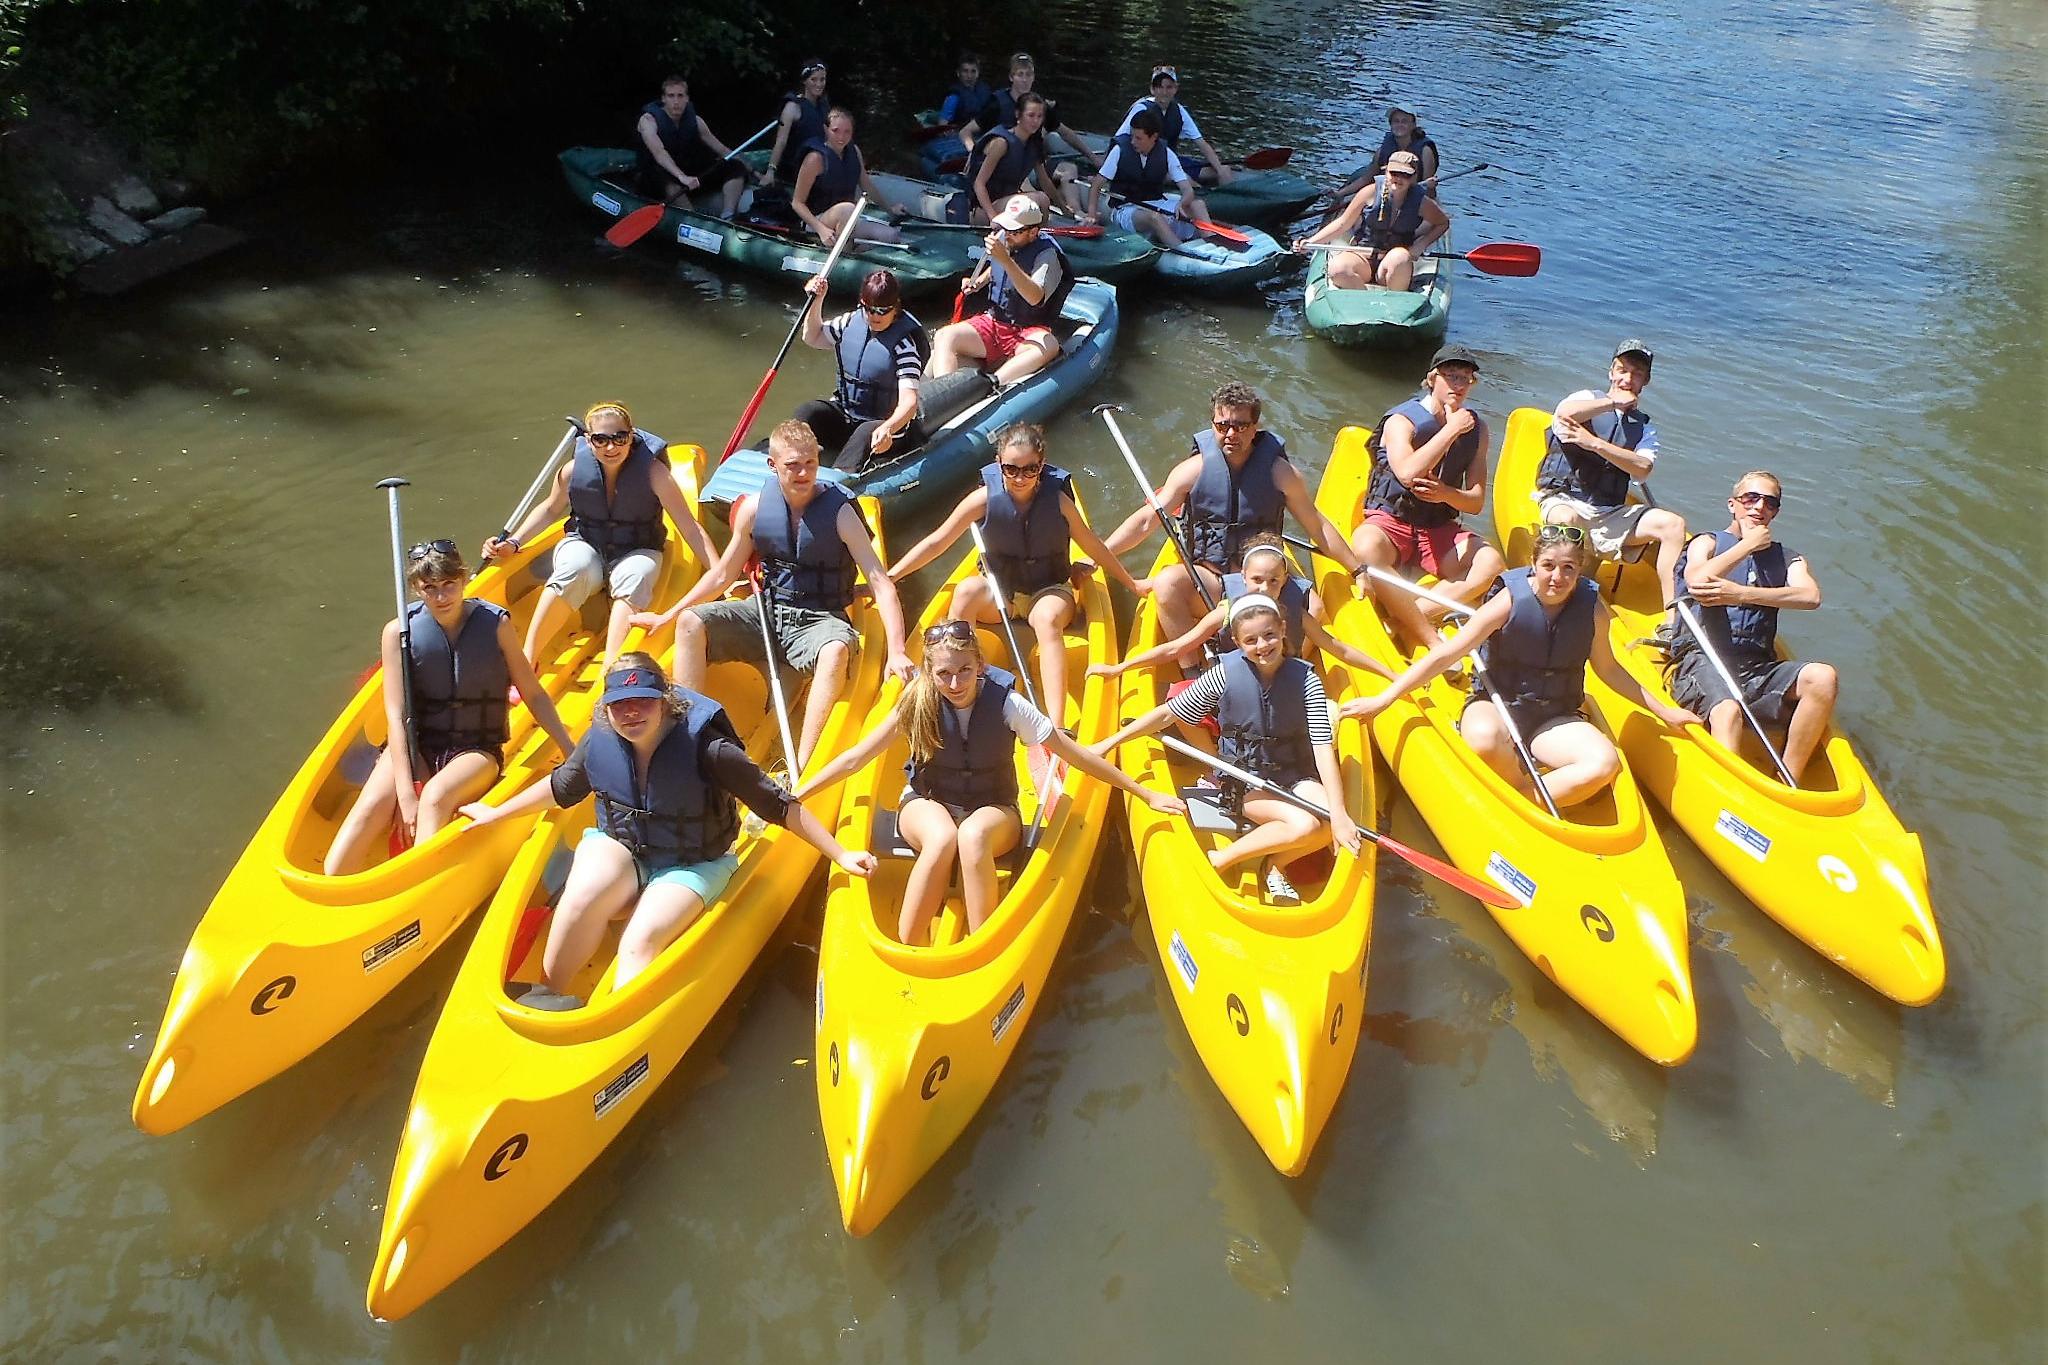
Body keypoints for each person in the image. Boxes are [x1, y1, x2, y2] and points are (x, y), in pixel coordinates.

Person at [459, 653, 876, 1008]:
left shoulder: (709, 748)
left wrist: (840, 854)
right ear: (606, 708)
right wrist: (495, 813)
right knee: (578, 899)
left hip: (692, 862)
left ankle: (616, 1024)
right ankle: (551, 995)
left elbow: (777, 805)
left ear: (665, 701)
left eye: (643, 701)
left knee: (640, 942)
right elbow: (563, 787)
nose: (632, 713)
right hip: (626, 850)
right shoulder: (600, 739)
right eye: (620, 705)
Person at [794, 620, 1182, 944]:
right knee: (943, 838)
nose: (955, 682)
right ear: (930, 673)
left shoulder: (1008, 704)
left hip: (993, 810)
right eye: (943, 673)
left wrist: (1144, 793)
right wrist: (797, 794)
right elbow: (855, 758)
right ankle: (908, 946)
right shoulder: (917, 700)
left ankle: (982, 945)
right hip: (927, 801)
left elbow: (1073, 754)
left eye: (964, 670)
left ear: (980, 664)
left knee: (972, 837)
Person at [1343, 526, 1699, 808]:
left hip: (1554, 715)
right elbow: (1448, 653)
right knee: (1483, 740)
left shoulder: (1592, 609)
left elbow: (1608, 670)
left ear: (1580, 571)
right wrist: (1385, 699)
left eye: (1569, 568)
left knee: (1603, 764)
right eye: (1549, 566)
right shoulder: (1509, 600)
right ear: (1533, 563)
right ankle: (1520, 782)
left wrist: (1666, 711)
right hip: (1497, 703)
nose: (1557, 577)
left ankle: (1523, 799)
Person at [633, 420, 915, 774]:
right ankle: (689, 737)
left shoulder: (841, 512)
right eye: (792, 466)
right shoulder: (753, 509)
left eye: (810, 463)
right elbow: (722, 574)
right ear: (772, 465)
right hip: (767, 611)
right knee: (692, 623)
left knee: (836, 651)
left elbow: (881, 582)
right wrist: (668, 615)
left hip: (821, 618)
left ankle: (804, 766)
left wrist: (898, 650)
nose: (803, 473)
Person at [325, 540, 577, 876]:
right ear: (417, 588)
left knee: (434, 798)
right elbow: (397, 716)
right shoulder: (397, 633)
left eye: (449, 585)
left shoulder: (496, 624)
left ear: (464, 579)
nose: (441, 597)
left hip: (475, 749)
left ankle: (414, 890)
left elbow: (532, 692)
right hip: (418, 744)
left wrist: (568, 746)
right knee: (371, 806)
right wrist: (405, 792)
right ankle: (335, 884)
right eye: (430, 588)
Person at [1095, 595, 1358, 904]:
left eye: (1270, 635)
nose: (1262, 645)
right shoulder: (1224, 675)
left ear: (1283, 630)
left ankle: (1275, 864)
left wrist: (1340, 814)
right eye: (1251, 639)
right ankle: (1222, 858)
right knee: (1305, 825)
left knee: (1328, 823)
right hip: (1245, 779)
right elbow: (1170, 713)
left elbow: (1321, 745)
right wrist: (1111, 742)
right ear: (1236, 641)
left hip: (1296, 774)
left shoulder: (1306, 679)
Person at [887, 423, 1150, 725]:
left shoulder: (1059, 502)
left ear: (1041, 464)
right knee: (966, 593)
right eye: (1011, 469)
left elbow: (1093, 545)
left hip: (1049, 591)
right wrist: (890, 577)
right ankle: (959, 692)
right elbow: (937, 542)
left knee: (1046, 618)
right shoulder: (983, 500)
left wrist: (1131, 583)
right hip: (1002, 594)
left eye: (1030, 469)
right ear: (999, 463)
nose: (1020, 478)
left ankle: (1057, 725)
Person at [1101, 381, 1365, 669]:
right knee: (1166, 584)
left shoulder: (1281, 474)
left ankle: (1281, 668)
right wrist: (1100, 554)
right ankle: (1193, 671)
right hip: (1211, 580)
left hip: (1263, 582)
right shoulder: (1193, 470)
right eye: (1222, 425)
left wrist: (1357, 568)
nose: (1230, 434)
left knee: (1315, 609)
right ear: (1213, 423)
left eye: (1240, 426)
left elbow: (1318, 527)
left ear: (1255, 427)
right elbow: (1145, 521)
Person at [481, 401, 716, 673]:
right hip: (586, 542)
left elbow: (689, 527)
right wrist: (513, 542)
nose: (611, 447)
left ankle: (611, 668)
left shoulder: (655, 473)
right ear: (588, 441)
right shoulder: (572, 471)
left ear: (632, 437)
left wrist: (719, 569)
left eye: (619, 438)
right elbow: (549, 510)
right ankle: (526, 659)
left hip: (637, 548)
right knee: (574, 568)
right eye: (601, 439)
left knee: (633, 577)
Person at [1668, 471, 1837, 784]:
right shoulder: (1707, 542)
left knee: (1823, 678)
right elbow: (1697, 582)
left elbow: (1810, 596)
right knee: (1728, 711)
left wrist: (1743, 594)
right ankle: (1730, 789)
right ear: (1733, 504)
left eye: (1769, 502)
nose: (1759, 507)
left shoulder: (1788, 558)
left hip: (1755, 666)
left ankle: (1787, 779)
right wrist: (1746, 546)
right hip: (1703, 660)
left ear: (1775, 512)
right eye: (1750, 498)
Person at [1347, 344, 1507, 649]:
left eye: (1467, 379)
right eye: (1452, 376)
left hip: (1436, 528)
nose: (1459, 386)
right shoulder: (1401, 421)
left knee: (1490, 563)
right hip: (1392, 520)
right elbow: (1408, 473)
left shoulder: (1479, 430)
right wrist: (1450, 430)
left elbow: (1475, 502)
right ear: (1433, 378)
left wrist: (1446, 494)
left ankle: (1406, 618)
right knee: (1365, 547)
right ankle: (1429, 636)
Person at [1096, 533, 1388, 681]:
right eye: (1257, 580)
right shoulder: (1226, 611)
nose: (1264, 588)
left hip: (1278, 685)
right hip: (1235, 684)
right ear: (1242, 578)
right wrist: (1120, 668)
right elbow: (1177, 648)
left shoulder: (1294, 614)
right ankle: (1213, 762)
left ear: (1285, 580)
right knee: (1178, 703)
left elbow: (1340, 649)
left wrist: (1390, 673)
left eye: (1274, 581)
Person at [1539, 340, 1688, 608]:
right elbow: (1563, 416)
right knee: (1567, 518)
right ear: (1611, 372)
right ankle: (1556, 592)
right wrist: (1610, 403)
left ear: (1646, 381)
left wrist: (1595, 443)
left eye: (1637, 374)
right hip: (1565, 499)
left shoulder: (1644, 429)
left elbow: (1642, 468)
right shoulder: (1585, 399)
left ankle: (1672, 618)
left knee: (1673, 525)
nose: (1627, 379)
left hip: (1609, 512)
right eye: (1622, 370)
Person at [925, 195, 1072, 387]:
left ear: (1033, 232)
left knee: (1049, 345)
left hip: (1027, 331)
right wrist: (978, 282)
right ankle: (944, 393)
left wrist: (1005, 259)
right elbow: (996, 268)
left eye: (1014, 231)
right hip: (995, 322)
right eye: (1005, 228)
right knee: (945, 336)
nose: (1007, 234)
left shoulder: (1047, 255)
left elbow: (1035, 297)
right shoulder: (1008, 242)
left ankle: (995, 383)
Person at [795, 269, 928, 472]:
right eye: (869, 309)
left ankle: (838, 482)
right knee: (808, 411)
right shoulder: (848, 322)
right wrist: (816, 301)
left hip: (883, 430)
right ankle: (791, 464)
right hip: (847, 415)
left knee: (866, 431)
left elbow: (909, 403)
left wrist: (887, 428)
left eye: (883, 310)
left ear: (895, 308)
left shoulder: (904, 346)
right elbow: (812, 337)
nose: (875, 316)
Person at [1292, 149, 1449, 291]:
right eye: (1394, 173)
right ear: (1386, 171)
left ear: (1413, 178)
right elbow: (1343, 223)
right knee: (1338, 269)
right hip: (1363, 256)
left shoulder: (1422, 203)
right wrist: (1311, 241)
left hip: (1394, 262)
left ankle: (1394, 301)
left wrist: (1420, 245)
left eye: (1405, 175)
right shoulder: (1370, 192)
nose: (1398, 178)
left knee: (1400, 257)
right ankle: (1364, 299)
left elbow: (1443, 223)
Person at [955, 53, 1098, 186]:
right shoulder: (997, 105)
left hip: (1032, 162)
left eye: (1028, 75)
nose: (1024, 80)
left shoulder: (1038, 105)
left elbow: (1065, 133)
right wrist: (973, 152)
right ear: (1011, 77)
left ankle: (1074, 210)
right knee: (1025, 180)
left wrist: (1093, 158)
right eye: (1020, 75)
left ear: (1033, 77)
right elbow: (965, 132)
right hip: (1007, 165)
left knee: (1069, 168)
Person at [1084, 108, 1209, 248]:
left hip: (1156, 202)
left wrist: (1183, 203)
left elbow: (1187, 190)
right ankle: (1184, 251)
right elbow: (1097, 185)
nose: (1132, 142)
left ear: (1153, 137)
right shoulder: (1119, 151)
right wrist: (1091, 214)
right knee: (1154, 217)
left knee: (1198, 205)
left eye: (1138, 138)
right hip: (1125, 208)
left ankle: (1213, 243)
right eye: (1132, 136)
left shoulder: (1166, 154)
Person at [634, 75, 749, 218]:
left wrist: (754, 172)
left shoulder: (695, 121)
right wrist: (682, 177)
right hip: (655, 175)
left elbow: (722, 149)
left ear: (687, 98)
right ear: (663, 99)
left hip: (684, 172)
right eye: (671, 96)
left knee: (735, 166)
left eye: (680, 96)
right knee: (665, 179)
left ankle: (728, 214)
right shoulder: (648, 121)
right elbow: (659, 154)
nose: (676, 101)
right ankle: (693, 219)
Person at [791, 107, 908, 247]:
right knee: (847, 208)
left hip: (847, 218)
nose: (841, 137)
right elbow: (797, 203)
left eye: (847, 132)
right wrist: (821, 229)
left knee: (891, 235)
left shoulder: (854, 151)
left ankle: (853, 252)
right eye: (835, 131)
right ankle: (843, 250)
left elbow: (867, 185)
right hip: (817, 222)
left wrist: (890, 209)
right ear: (825, 129)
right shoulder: (815, 159)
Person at [956, 93, 1077, 223]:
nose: (1036, 121)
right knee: (1037, 199)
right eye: (1031, 115)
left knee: (1042, 198)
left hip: (1008, 203)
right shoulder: (1001, 143)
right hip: (983, 210)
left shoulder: (1034, 144)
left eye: (1039, 116)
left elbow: (1044, 181)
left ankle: (1039, 234)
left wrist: (1064, 210)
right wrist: (993, 218)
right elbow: (979, 184)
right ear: (1018, 115)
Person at [1115, 65, 1235, 187]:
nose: (1164, 92)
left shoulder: (1179, 111)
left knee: (1224, 169)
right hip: (1145, 164)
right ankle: (1202, 198)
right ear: (1152, 89)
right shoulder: (1141, 109)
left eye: (1169, 87)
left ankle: (1229, 198)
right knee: (1185, 179)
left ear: (1175, 89)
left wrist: (1219, 169)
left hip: (1170, 160)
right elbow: (1120, 141)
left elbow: (1201, 143)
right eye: (1159, 87)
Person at [1335, 101, 1440, 200]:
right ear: (1390, 124)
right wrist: (1339, 194)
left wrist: (1429, 189)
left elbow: (1428, 189)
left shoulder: (1425, 151)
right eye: (1396, 121)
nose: (1400, 125)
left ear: (1413, 125)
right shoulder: (1382, 151)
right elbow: (1366, 179)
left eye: (1404, 121)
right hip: (1387, 195)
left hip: (1414, 197)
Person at [764, 59, 831, 186]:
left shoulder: (824, 106)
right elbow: (781, 141)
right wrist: (771, 171)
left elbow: (828, 137)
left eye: (822, 79)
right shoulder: (792, 107)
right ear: (805, 81)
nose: (819, 84)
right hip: (794, 167)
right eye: (814, 79)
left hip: (816, 163)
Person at [936, 52, 991, 128]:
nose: (969, 76)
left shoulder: (985, 90)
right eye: (965, 71)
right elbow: (942, 125)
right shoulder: (954, 96)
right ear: (958, 73)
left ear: (978, 73)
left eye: (973, 71)